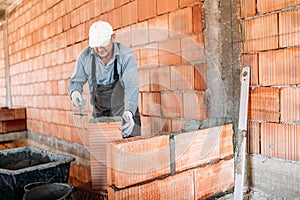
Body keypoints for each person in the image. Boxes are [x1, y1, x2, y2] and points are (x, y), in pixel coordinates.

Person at [68, 20, 141, 138]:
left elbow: (131, 87)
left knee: (131, 151)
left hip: (124, 112)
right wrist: (75, 92)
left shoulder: (126, 56)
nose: (99, 49)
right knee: (104, 152)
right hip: (100, 115)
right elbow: (76, 82)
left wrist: (129, 112)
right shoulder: (85, 57)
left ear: (113, 37)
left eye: (102, 43)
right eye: (95, 45)